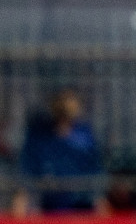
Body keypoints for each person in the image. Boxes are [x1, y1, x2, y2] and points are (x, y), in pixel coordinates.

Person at [11, 88, 109, 217]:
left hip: (81, 204)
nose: (66, 106)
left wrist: (99, 200)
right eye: (62, 101)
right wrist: (23, 199)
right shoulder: (39, 136)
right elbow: (29, 171)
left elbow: (94, 170)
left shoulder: (85, 135)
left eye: (70, 101)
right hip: (49, 205)